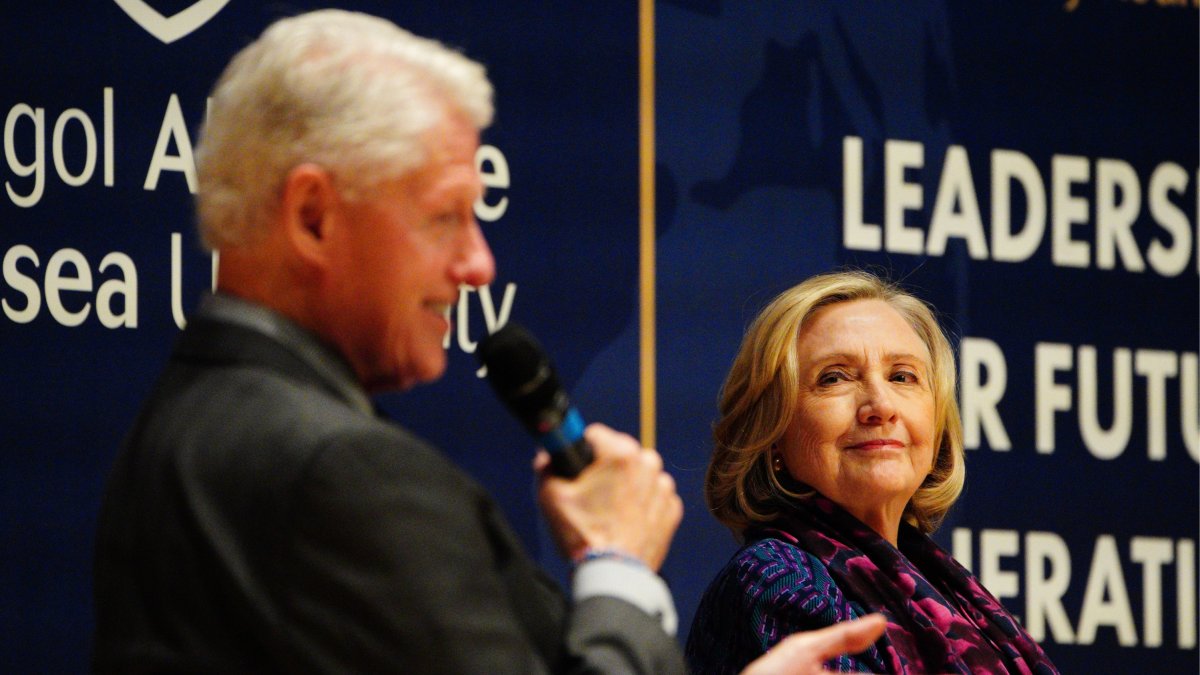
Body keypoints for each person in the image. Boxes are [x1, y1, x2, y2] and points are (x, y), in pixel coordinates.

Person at [91, 10, 883, 674]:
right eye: (446, 216)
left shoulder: (183, 417)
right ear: (313, 218)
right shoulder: (341, 471)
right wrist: (618, 569)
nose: (478, 263)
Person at [686, 271, 1060, 674]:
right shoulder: (781, 579)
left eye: (903, 376)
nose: (881, 405)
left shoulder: (951, 595)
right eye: (834, 378)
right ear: (773, 433)